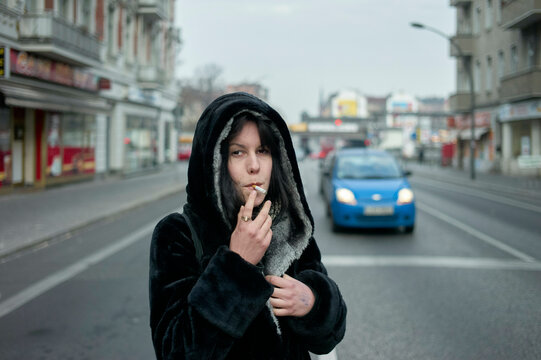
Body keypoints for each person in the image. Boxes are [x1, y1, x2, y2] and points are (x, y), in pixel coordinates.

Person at [149, 92, 347, 359]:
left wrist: (313, 303)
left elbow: (327, 338)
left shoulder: (292, 229)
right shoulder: (178, 233)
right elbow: (176, 351)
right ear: (214, 162)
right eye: (238, 152)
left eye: (263, 151)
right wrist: (237, 265)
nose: (254, 166)